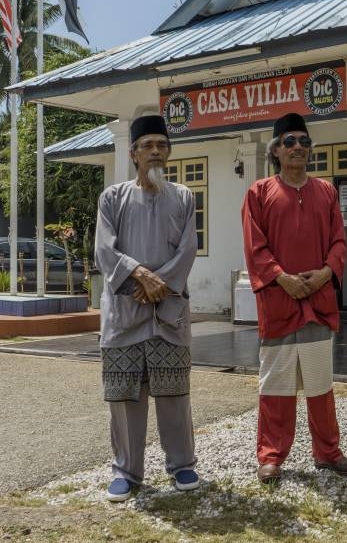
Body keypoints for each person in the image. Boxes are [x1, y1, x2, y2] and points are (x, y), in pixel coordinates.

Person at [241, 112, 347, 483]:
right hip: (278, 304)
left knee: (320, 383)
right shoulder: (258, 192)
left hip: (317, 301)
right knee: (275, 385)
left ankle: (328, 452)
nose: (297, 148)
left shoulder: (326, 191)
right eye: (289, 141)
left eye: (304, 142)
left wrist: (326, 272)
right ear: (276, 150)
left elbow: (339, 241)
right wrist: (281, 279)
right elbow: (254, 247)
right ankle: (271, 455)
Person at [93, 115, 200, 501]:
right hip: (125, 312)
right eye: (148, 145)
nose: (156, 151)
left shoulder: (184, 197)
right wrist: (139, 274)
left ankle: (183, 465)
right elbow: (104, 249)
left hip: (168, 311)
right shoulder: (112, 198)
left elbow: (189, 248)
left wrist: (160, 284)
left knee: (174, 393)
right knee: (125, 396)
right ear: (134, 153)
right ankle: (126, 470)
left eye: (162, 145)